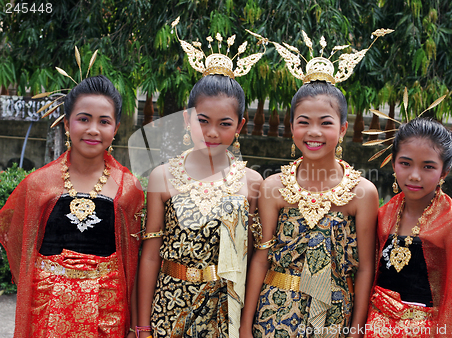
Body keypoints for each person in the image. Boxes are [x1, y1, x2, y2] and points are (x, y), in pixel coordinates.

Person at [135, 21, 265, 337]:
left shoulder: (251, 182)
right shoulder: (162, 177)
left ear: (240, 126)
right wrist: (141, 326)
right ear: (186, 117)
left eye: (224, 124)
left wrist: (244, 326)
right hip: (169, 304)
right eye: (202, 120)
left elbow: (250, 261)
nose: (211, 132)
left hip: (222, 309)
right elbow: (150, 254)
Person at [0, 75, 145, 337]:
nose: (93, 129)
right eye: (83, 119)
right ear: (67, 123)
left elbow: (133, 260)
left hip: (107, 311)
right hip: (47, 309)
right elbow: (18, 238)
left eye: (104, 121)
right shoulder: (39, 183)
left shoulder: (128, 188)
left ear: (116, 128)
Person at [240, 81, 379, 338]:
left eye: (326, 123)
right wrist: (245, 326)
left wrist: (356, 331)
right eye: (304, 122)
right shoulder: (273, 187)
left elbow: (365, 268)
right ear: (291, 127)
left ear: (343, 129)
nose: (313, 132)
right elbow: (260, 260)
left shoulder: (363, 193)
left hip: (334, 314)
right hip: (274, 313)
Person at [365, 117, 452, 338]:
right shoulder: (384, 214)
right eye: (405, 163)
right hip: (374, 328)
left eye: (428, 166)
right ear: (393, 162)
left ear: (444, 171)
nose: (415, 175)